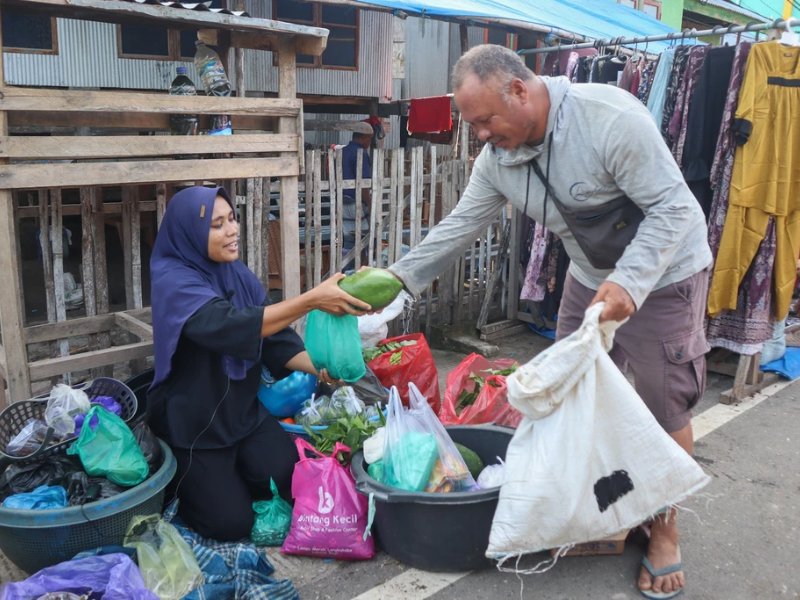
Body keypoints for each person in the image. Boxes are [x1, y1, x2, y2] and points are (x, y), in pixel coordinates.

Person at [382, 45, 712, 599]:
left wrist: (630, 282)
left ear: (519, 89)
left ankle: (664, 527)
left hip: (665, 273)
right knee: (569, 394)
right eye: (473, 125)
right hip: (588, 275)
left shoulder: (611, 118)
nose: (481, 135)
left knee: (664, 403)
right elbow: (460, 225)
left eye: (486, 120)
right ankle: (599, 506)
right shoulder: (497, 161)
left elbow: (675, 210)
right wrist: (394, 284)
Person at [147, 186, 370, 541]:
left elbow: (275, 339)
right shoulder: (172, 279)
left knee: (289, 481)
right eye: (217, 225)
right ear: (189, 233)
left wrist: (324, 369)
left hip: (241, 411)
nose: (232, 230)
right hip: (193, 424)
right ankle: (193, 485)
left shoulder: (234, 273)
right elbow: (229, 327)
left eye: (232, 219)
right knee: (230, 525)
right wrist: (312, 300)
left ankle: (231, 478)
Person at [341, 122, 374, 271]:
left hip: (342, 202)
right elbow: (364, 184)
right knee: (363, 239)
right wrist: (370, 204)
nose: (370, 142)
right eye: (370, 139)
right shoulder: (360, 153)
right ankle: (356, 272)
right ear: (365, 137)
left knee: (348, 239)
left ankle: (344, 273)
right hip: (356, 203)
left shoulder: (341, 152)